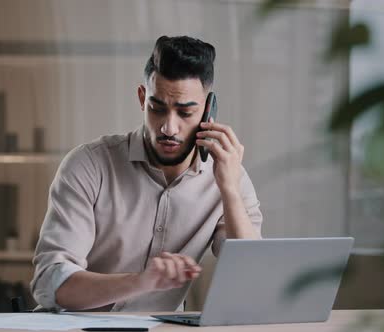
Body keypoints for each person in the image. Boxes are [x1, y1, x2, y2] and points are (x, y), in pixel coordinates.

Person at [30, 35, 263, 312]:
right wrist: (141, 282)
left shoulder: (229, 177)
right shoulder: (88, 165)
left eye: (185, 113)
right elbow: (50, 285)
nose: (169, 128)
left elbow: (252, 280)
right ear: (142, 98)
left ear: (208, 110)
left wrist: (230, 192)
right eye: (157, 108)